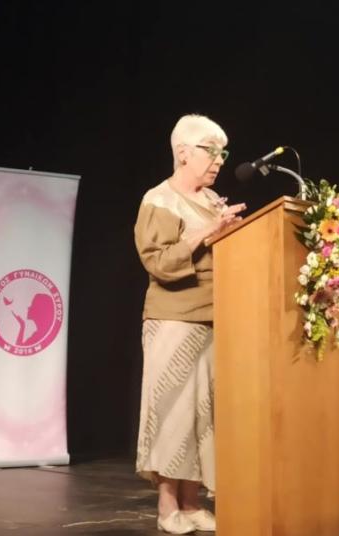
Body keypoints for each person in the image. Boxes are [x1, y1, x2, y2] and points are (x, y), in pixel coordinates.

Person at [133, 114, 246, 534]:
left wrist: (234, 233)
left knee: (204, 418)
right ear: (182, 152)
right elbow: (159, 262)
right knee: (174, 414)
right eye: (210, 151)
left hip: (215, 318)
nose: (218, 161)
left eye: (223, 153)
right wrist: (208, 231)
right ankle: (168, 508)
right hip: (174, 319)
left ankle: (193, 503)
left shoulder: (213, 199)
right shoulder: (160, 200)